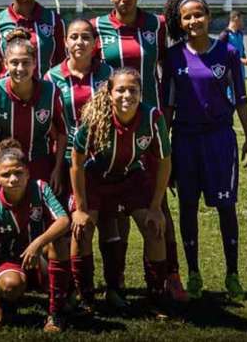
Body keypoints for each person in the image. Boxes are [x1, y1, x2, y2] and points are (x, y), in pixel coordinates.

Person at [92, 0, 184, 304]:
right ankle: (115, 283)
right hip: (112, 126)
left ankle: (169, 276)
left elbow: (170, 66)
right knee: (116, 205)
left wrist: (168, 115)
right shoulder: (97, 27)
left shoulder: (156, 25)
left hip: (150, 125)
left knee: (157, 203)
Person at [162, 0, 247, 299]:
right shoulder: (174, 57)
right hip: (185, 141)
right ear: (180, 21)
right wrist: (165, 149)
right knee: (187, 207)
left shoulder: (226, 52)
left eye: (198, 14)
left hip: (219, 140)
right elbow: (168, 108)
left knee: (226, 207)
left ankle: (232, 274)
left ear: (208, 16)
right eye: (187, 16)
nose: (193, 20)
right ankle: (193, 273)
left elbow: (241, 99)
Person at [69, 68, 172, 317]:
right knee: (82, 230)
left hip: (131, 178)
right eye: (121, 90)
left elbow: (165, 161)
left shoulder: (152, 117)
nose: (127, 95)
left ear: (141, 92)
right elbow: (76, 162)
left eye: (133, 90)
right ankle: (86, 295)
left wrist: (156, 207)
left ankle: (157, 297)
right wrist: (80, 209)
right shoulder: (95, 117)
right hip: (96, 178)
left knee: (155, 229)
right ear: (110, 92)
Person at [44, 18, 112, 310]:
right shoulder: (52, 77)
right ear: (65, 42)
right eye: (74, 37)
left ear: (95, 42)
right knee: (74, 226)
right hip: (68, 161)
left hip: (104, 161)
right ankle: (77, 290)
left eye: (86, 36)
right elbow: (49, 124)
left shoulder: (108, 73)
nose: (80, 42)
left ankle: (113, 286)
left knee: (109, 227)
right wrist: (58, 166)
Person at [0, 139, 70, 332]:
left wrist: (37, 243)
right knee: (10, 286)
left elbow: (64, 220)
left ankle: (55, 313)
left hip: (40, 257)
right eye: (6, 175)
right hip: (12, 261)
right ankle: (12, 298)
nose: (13, 179)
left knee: (59, 242)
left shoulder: (40, 188)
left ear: (27, 173)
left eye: (18, 172)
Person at [0, 28, 67, 195]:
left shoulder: (51, 92)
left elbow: (62, 132)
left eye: (26, 62)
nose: (20, 68)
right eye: (14, 62)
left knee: (39, 213)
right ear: (5, 63)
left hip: (39, 163)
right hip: (4, 165)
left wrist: (57, 169)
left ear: (34, 63)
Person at [218, 10, 247, 79]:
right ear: (236, 18)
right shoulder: (224, 35)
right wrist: (240, 60)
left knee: (241, 89)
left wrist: (245, 59)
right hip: (229, 71)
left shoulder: (240, 34)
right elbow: (221, 54)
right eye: (241, 19)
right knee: (232, 89)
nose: (242, 22)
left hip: (241, 70)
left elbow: (241, 51)